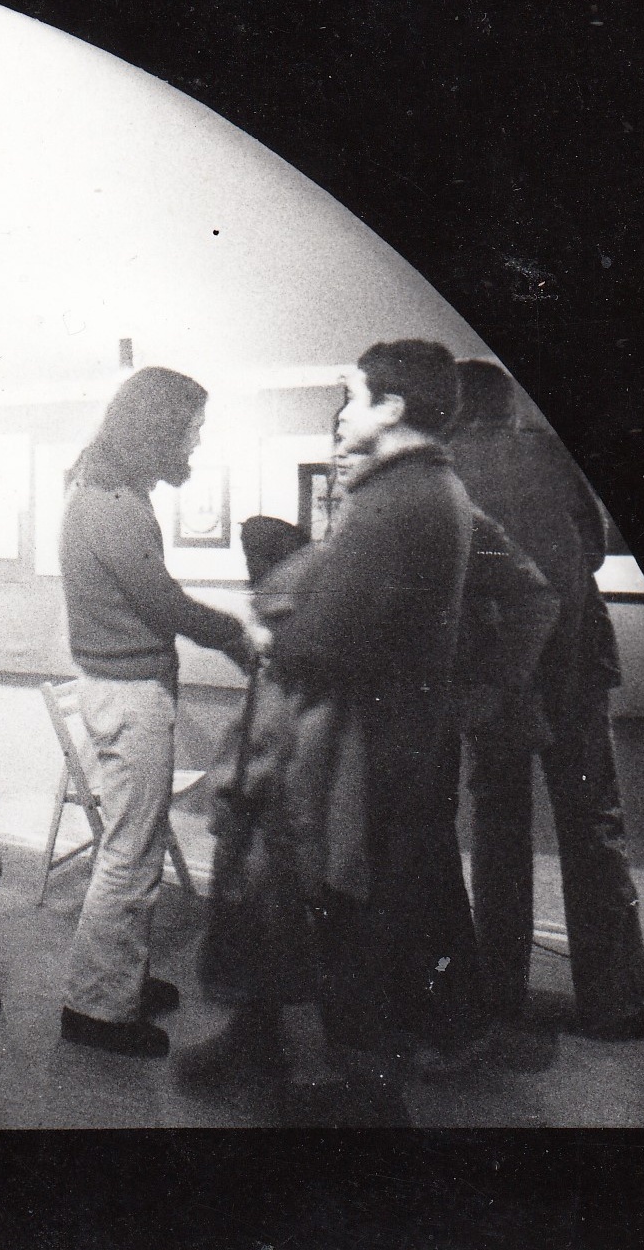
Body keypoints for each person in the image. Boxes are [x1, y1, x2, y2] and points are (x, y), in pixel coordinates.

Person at [220, 341, 493, 1105]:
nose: (343, 416)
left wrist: (266, 630)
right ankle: (309, 1055)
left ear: (393, 408)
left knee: (352, 921)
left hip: (370, 747)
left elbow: (318, 645)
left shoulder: (391, 501)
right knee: (378, 911)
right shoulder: (436, 488)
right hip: (406, 735)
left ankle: (350, 1093)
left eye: (355, 397)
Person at [451, 358, 644, 1041]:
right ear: (508, 407)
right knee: (592, 826)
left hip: (496, 677)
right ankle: (615, 1002)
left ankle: (498, 991)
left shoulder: (449, 470)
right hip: (574, 664)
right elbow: (591, 550)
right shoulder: (550, 455)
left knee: (497, 830)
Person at [57, 367, 255, 1057]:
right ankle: (96, 1010)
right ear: (157, 429)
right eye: (190, 428)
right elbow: (162, 603)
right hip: (131, 697)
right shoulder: (112, 503)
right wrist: (237, 637)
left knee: (130, 848)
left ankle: (121, 982)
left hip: (123, 691)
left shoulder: (106, 491)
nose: (195, 441)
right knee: (130, 856)